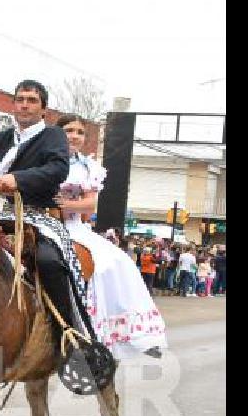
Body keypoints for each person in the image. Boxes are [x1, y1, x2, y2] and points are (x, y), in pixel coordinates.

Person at [0, 79, 95, 348]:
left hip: (36, 216)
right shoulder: (5, 136)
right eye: (20, 99)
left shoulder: (53, 136)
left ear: (44, 110)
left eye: (31, 100)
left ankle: (68, 333)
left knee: (49, 262)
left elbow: (58, 169)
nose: (24, 105)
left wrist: (18, 179)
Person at [52, 114, 167, 359]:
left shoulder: (88, 167)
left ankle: (134, 334)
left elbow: (90, 205)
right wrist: (73, 204)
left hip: (75, 227)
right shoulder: (45, 158)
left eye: (80, 132)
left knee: (117, 262)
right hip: (45, 223)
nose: (74, 136)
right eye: (69, 130)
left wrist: (66, 205)